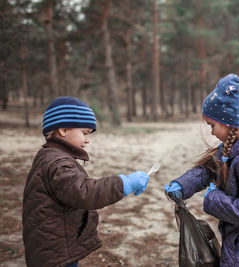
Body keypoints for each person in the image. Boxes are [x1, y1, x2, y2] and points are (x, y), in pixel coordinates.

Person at [165, 74, 239, 267]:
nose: (211, 131)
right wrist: (182, 185)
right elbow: (208, 169)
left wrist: (214, 199)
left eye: (212, 125)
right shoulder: (235, 145)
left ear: (228, 122)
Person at [22, 96, 149, 267]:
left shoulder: (52, 156)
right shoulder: (57, 163)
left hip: (54, 243)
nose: (87, 140)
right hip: (55, 252)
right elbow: (85, 192)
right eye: (84, 133)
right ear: (63, 130)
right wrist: (123, 183)